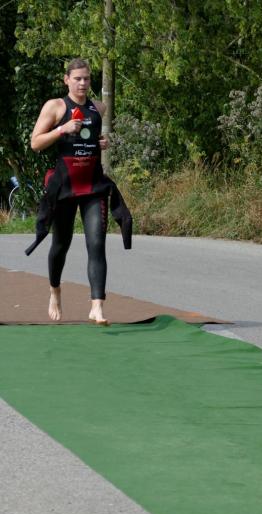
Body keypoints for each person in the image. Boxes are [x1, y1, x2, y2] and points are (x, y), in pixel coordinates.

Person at [27, 58, 132, 325]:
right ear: (67, 80)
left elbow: (91, 138)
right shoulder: (56, 106)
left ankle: (97, 306)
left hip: (93, 187)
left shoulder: (99, 107)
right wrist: (61, 129)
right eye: (77, 79)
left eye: (86, 78)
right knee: (60, 245)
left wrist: (102, 143)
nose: (83, 83)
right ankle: (55, 291)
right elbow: (35, 143)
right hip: (65, 186)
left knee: (96, 244)